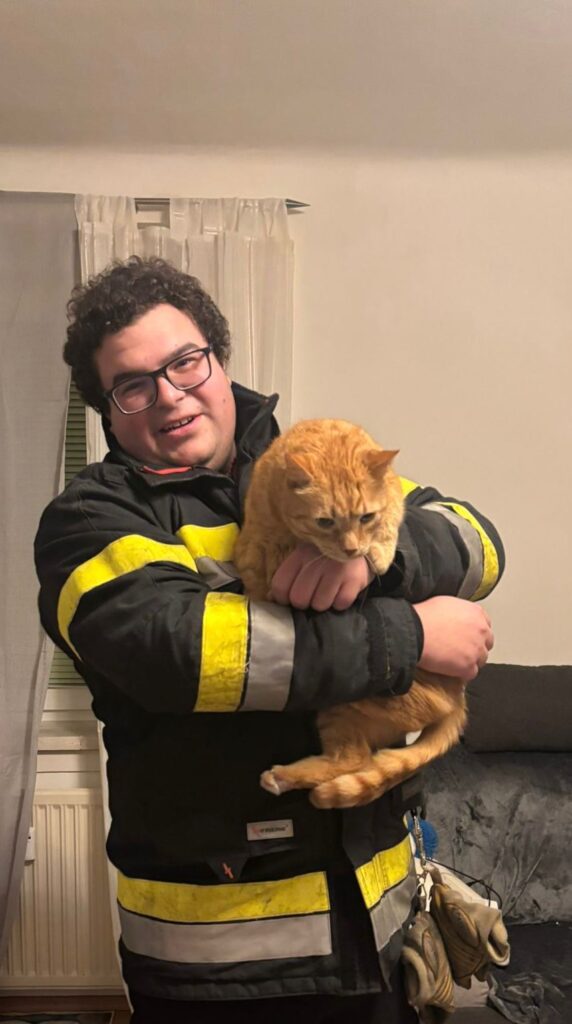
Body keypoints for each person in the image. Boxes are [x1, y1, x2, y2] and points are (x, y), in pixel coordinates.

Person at [34, 257, 501, 1024]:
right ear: (108, 413)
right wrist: (411, 632)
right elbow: (181, 655)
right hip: (221, 969)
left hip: (380, 935)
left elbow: (478, 540)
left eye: (186, 362)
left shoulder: (315, 465)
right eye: (133, 385)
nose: (170, 395)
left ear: (219, 360)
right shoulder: (89, 520)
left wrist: (376, 560)